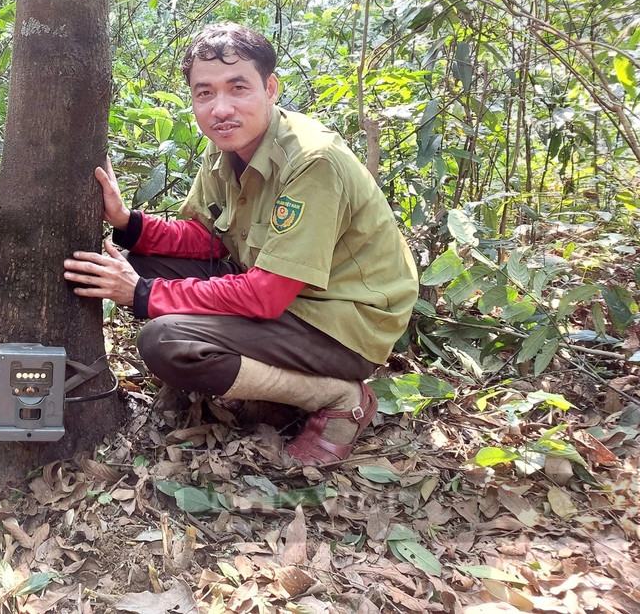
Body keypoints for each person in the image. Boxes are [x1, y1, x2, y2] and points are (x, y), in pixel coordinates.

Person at [63, 24, 417, 466]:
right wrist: (127, 223)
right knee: (147, 261)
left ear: (270, 88)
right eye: (205, 93)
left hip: (342, 322)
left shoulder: (312, 162)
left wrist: (139, 294)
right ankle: (253, 382)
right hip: (287, 300)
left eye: (238, 88)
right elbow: (209, 238)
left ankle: (339, 397)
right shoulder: (226, 147)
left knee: (167, 341)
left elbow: (266, 295)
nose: (221, 108)